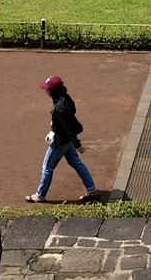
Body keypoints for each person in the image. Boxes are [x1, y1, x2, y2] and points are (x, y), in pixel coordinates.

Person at [28, 74, 98, 203]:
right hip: (68, 141)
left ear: (52, 91)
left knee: (47, 167)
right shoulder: (65, 98)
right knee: (76, 162)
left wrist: (78, 145)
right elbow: (70, 114)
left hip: (60, 142)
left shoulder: (59, 108)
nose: (45, 90)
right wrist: (55, 122)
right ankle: (91, 188)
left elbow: (67, 127)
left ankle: (40, 195)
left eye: (47, 89)